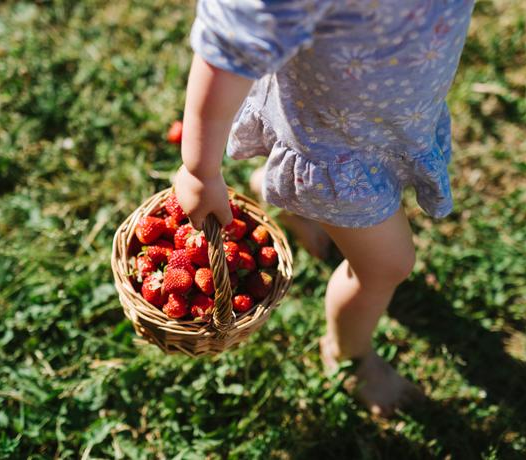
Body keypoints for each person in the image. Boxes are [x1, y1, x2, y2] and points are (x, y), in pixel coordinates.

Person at [174, 0, 475, 416]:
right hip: (336, 155)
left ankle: (286, 198)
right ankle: (347, 353)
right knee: (387, 266)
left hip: (388, 119)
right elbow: (229, 43)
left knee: (379, 251)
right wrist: (200, 170)